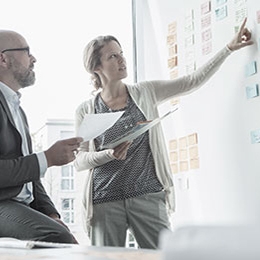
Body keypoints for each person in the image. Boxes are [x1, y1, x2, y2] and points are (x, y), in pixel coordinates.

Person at [74, 18, 253, 249]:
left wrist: (228, 48)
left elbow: (192, 81)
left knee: (162, 256)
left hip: (147, 194)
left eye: (121, 53)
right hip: (104, 201)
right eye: (112, 56)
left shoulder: (145, 92)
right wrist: (108, 154)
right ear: (96, 68)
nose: (122, 60)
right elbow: (79, 161)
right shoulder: (86, 110)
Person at [0, 30, 83, 243]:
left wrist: (51, 213)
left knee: (62, 232)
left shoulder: (17, 108)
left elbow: (30, 178)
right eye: (27, 52)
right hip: (3, 203)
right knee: (57, 237)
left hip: (18, 204)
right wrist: (47, 158)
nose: (34, 58)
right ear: (3, 59)